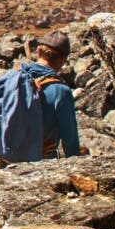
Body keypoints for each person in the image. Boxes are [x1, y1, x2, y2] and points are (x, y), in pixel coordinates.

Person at [27, 30, 85, 159]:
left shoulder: (16, 76)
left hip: (7, 156)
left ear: (38, 51)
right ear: (63, 60)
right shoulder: (60, 91)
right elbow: (69, 139)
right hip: (39, 161)